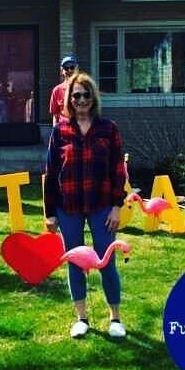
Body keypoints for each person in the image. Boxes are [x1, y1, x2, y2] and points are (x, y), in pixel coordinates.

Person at [44, 71, 128, 339]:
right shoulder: (60, 131)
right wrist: (50, 213)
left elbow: (118, 170)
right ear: (69, 99)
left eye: (86, 95)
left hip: (102, 204)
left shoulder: (108, 129)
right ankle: (81, 317)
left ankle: (115, 318)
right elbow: (50, 171)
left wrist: (117, 205)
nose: (81, 100)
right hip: (67, 206)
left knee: (107, 261)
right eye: (76, 95)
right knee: (75, 261)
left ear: (93, 98)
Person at [49, 55, 78, 125]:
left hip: (80, 130)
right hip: (63, 130)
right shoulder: (57, 90)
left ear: (77, 69)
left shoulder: (84, 88)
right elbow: (55, 116)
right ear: (62, 71)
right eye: (66, 68)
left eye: (72, 67)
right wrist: (55, 132)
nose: (69, 70)